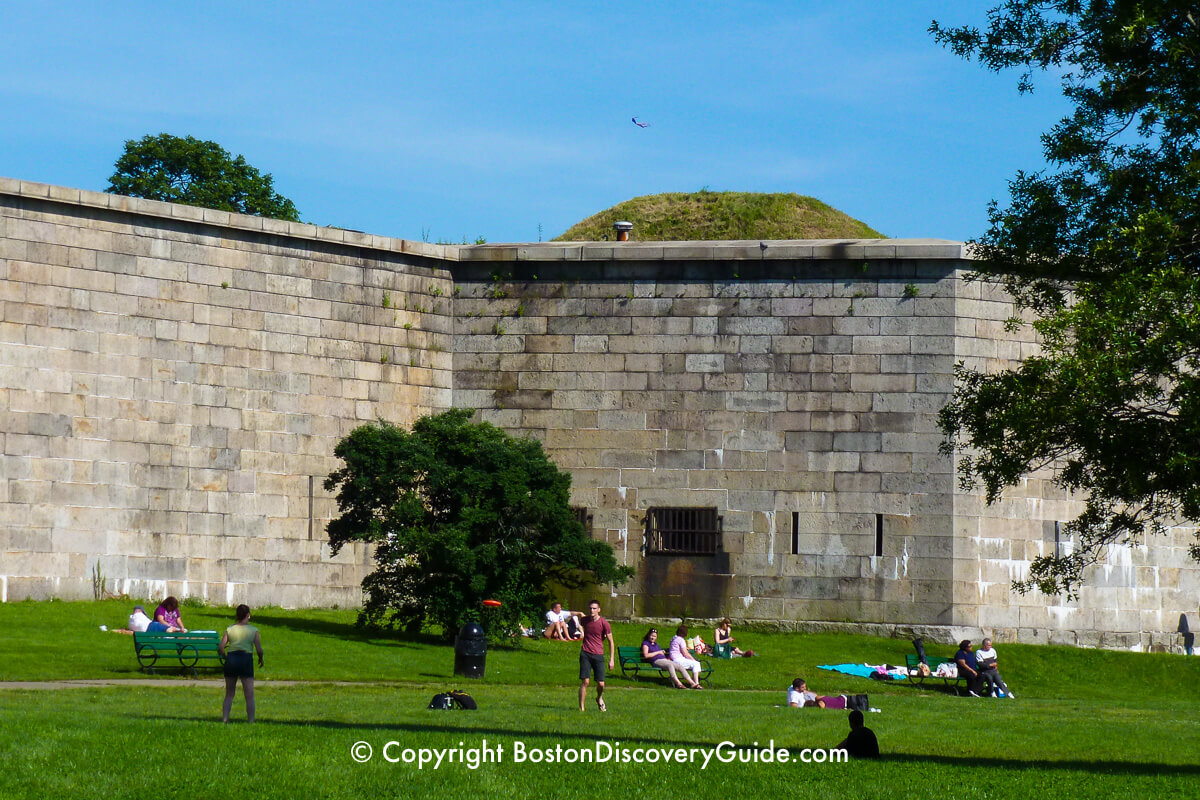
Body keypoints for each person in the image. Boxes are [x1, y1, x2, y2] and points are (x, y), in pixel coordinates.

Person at [219, 604, 264, 723]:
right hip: (246, 659)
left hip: (232, 659)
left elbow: (221, 647)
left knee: (229, 694)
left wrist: (225, 657)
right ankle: (251, 720)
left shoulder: (230, 629)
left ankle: (224, 719)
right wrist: (261, 658)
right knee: (249, 695)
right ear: (248, 615)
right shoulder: (254, 630)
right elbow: (259, 649)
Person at [578, 599, 615, 712]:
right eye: (590, 608)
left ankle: (599, 698)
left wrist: (612, 659)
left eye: (594, 608)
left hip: (598, 655)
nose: (592, 610)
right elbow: (578, 622)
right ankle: (581, 708)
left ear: (599, 610)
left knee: (601, 684)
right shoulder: (585, 620)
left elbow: (611, 642)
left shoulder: (604, 623)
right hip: (585, 653)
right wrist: (582, 632)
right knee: (586, 682)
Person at [668, 625, 704, 689]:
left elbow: (677, 649)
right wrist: (693, 659)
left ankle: (694, 682)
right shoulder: (681, 640)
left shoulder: (674, 638)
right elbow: (685, 653)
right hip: (678, 660)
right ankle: (696, 683)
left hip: (674, 659)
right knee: (696, 664)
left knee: (695, 664)